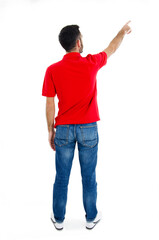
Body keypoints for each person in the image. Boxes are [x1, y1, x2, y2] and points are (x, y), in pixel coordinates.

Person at [42, 21, 132, 230]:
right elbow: (112, 48)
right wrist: (121, 32)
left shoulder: (52, 70)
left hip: (63, 129)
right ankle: (91, 217)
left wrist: (50, 130)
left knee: (61, 176)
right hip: (88, 129)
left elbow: (49, 102)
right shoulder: (91, 63)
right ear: (78, 42)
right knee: (88, 175)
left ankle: (59, 218)